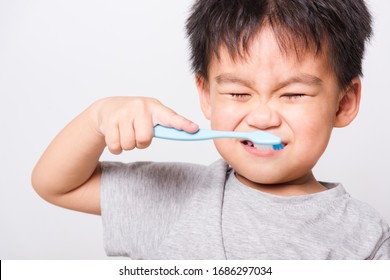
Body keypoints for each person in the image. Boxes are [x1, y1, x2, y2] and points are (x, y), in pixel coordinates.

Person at [32, 0, 390, 259]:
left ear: (344, 102)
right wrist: (97, 117)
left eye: (294, 94)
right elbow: (56, 185)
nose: (262, 118)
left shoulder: (367, 239)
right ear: (206, 96)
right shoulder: (173, 197)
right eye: (238, 93)